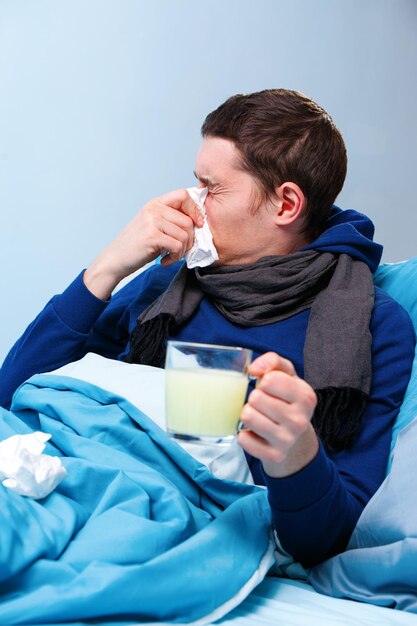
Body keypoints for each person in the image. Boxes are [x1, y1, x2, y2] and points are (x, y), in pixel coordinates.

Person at [0, 89, 414, 569]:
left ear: (285, 205)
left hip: (152, 516)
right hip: (54, 472)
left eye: (211, 188)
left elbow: (329, 538)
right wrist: (106, 270)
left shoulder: (370, 326)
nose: (191, 203)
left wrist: (295, 455)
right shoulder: (167, 284)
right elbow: (14, 396)